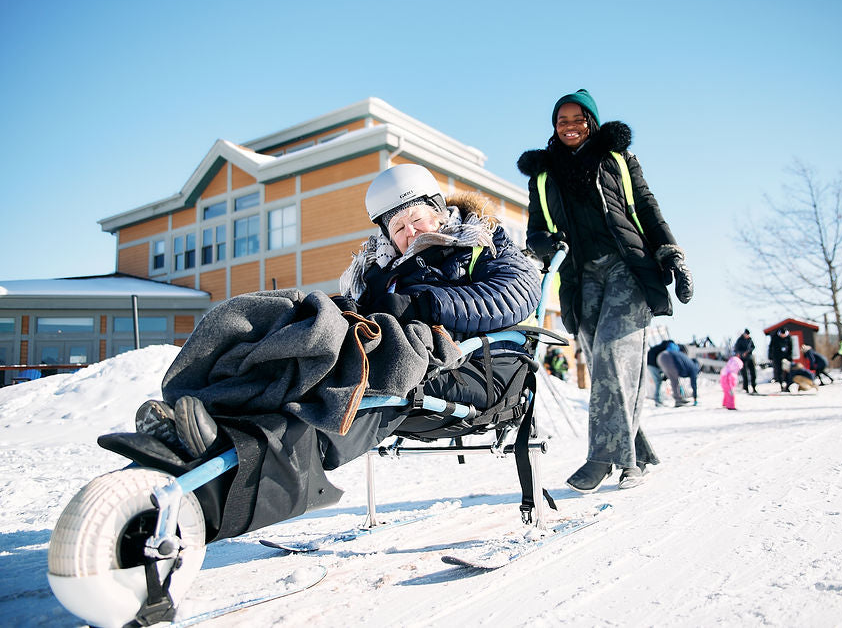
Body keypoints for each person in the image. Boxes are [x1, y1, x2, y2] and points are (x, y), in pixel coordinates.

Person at [129, 163, 542, 541]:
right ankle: (204, 413)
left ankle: (227, 478)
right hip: (389, 345)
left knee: (342, 387)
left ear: (438, 210)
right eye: (397, 229)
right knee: (291, 326)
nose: (410, 233)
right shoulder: (381, 272)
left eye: (416, 219)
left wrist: (426, 304)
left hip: (470, 363)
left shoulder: (483, 243)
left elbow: (517, 294)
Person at [518, 88, 692, 493]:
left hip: (627, 266)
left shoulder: (617, 160)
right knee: (605, 367)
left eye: (579, 119)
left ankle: (602, 458)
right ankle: (637, 455)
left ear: (592, 122)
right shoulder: (544, 175)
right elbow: (536, 231)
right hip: (581, 278)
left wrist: (671, 254)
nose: (571, 127)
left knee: (616, 354)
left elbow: (647, 208)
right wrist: (545, 245)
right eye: (562, 121)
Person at [655, 343, 700, 407]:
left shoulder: (687, 362)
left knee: (673, 379)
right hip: (667, 357)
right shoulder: (693, 368)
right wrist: (695, 398)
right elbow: (694, 384)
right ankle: (678, 400)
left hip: (660, 357)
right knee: (674, 380)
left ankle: (679, 398)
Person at [733, 328, 758, 393]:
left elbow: (753, 347)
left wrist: (748, 351)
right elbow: (736, 350)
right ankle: (745, 388)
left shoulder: (750, 339)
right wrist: (742, 353)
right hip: (742, 359)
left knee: (753, 373)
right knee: (745, 374)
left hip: (750, 357)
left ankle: (754, 387)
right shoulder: (739, 340)